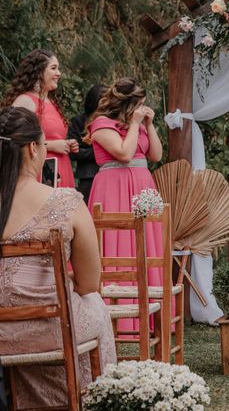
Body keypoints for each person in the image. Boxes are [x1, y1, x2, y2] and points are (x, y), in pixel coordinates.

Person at [0, 107, 116, 408]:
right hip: (53, 330)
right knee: (96, 305)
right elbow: (90, 283)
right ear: (32, 148)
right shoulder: (64, 201)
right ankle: (91, 400)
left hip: (2, 335)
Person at [85, 78, 163, 334]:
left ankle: (151, 316)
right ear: (127, 104)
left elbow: (156, 155)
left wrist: (149, 126)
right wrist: (136, 125)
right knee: (118, 244)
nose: (143, 108)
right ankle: (119, 319)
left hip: (142, 187)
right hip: (113, 189)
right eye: (139, 104)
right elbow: (124, 154)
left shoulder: (138, 125)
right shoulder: (101, 125)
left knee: (145, 247)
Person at [1, 49, 77, 188]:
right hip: (38, 170)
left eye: (58, 68)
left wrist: (66, 144)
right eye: (53, 68)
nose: (58, 73)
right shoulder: (25, 101)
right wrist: (53, 146)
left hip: (61, 167)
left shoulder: (52, 103)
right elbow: (13, 142)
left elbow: (52, 135)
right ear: (38, 72)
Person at [68, 85, 106, 203]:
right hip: (88, 176)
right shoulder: (79, 121)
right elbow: (73, 153)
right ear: (93, 101)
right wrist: (102, 152)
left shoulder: (114, 121)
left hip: (111, 173)